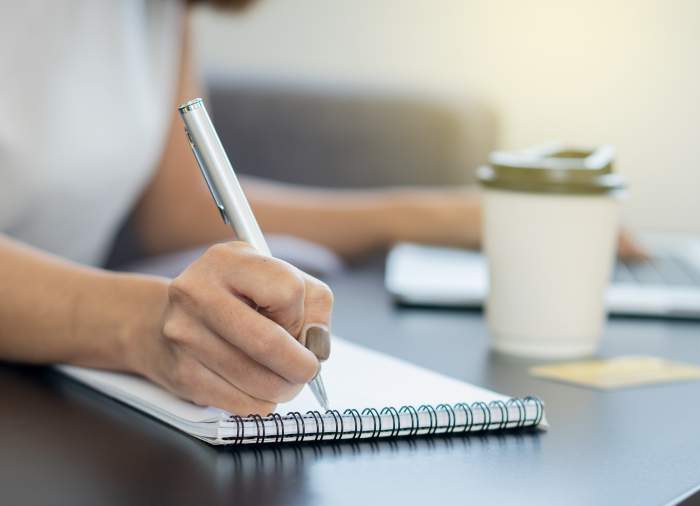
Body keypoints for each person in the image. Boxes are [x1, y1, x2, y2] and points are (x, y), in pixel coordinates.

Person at [0, 0, 641, 416]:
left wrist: (435, 218)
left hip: (57, 387)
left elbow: (182, 208)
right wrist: (142, 326)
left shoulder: (158, 9)